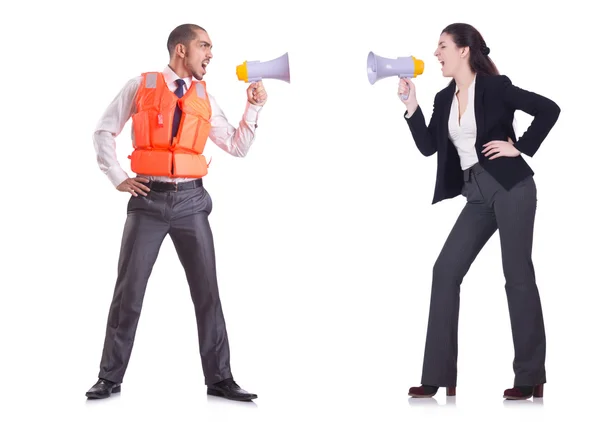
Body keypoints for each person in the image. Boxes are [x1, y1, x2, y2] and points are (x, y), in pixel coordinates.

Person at [86, 23, 267, 401]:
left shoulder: (206, 97)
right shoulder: (139, 86)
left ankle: (220, 379)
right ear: (181, 50)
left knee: (207, 293)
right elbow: (103, 131)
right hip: (147, 201)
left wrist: (254, 106)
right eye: (204, 46)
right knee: (129, 293)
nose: (211, 54)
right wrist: (118, 176)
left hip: (191, 203)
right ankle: (109, 377)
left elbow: (237, 146)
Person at [398, 23, 560, 400]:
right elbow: (427, 147)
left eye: (442, 46)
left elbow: (548, 110)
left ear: (464, 51)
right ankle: (437, 375)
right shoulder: (442, 98)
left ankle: (530, 375)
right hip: (475, 194)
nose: (436, 54)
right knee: (445, 271)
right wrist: (410, 106)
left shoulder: (494, 87)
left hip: (511, 187)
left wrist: (519, 147)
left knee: (517, 274)